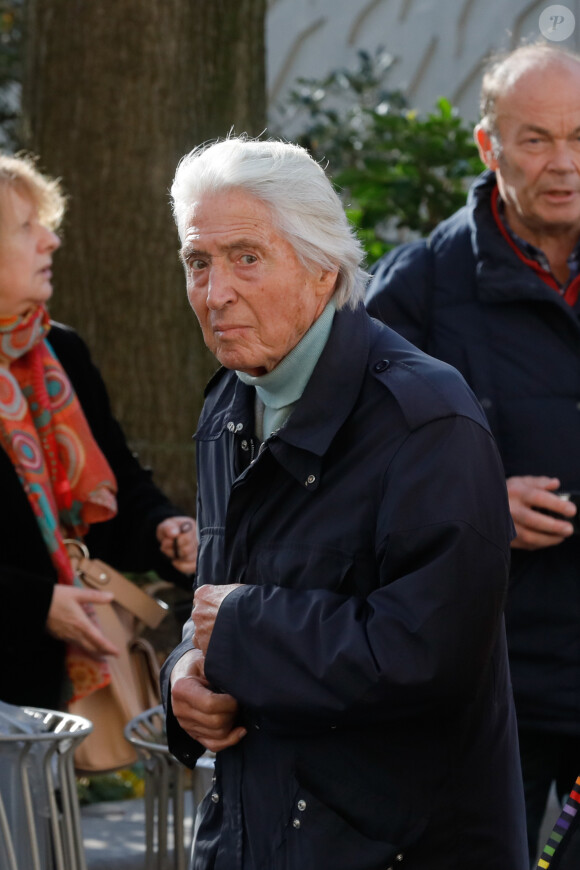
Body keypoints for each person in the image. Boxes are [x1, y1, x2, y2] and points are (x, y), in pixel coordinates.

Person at [161, 135, 527, 869]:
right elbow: (212, 607)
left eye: (247, 257)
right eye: (198, 262)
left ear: (323, 267)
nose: (216, 291)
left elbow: (429, 656)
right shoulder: (231, 403)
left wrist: (238, 634)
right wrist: (183, 679)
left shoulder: (425, 417)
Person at [366, 42, 580, 864]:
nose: (563, 164)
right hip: (484, 683)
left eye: (578, 137)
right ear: (488, 147)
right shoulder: (415, 286)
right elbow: (352, 469)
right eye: (535, 139)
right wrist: (479, 502)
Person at [0, 152, 197, 713]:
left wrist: (163, 530)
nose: (51, 242)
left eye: (47, 224)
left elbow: (117, 484)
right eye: (25, 227)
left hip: (52, 697)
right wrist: (36, 603)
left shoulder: (62, 351)